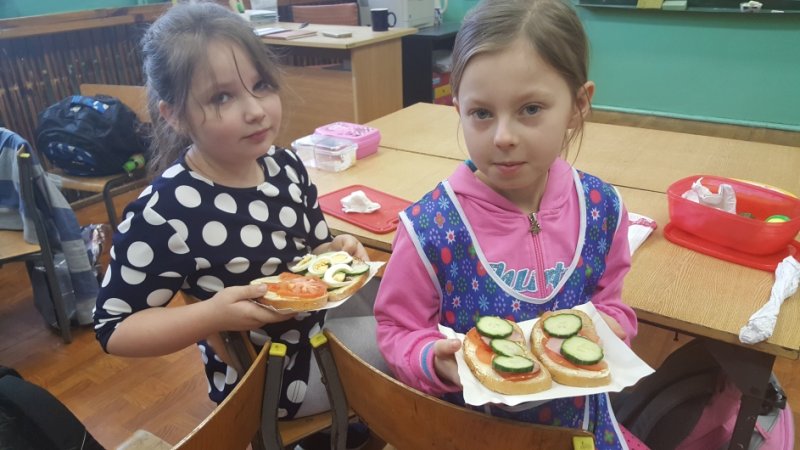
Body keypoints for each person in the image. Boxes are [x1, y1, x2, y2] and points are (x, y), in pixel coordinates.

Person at [93, 1, 371, 433]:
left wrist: (335, 251)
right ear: (174, 115)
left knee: (419, 307)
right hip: (274, 374)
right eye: (222, 97)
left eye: (261, 85)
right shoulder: (166, 211)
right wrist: (212, 315)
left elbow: (311, 251)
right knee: (418, 352)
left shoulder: (284, 165)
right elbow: (114, 329)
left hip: (317, 325)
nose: (255, 110)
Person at [373, 0, 641, 448]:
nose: (503, 137)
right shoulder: (430, 228)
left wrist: (614, 328)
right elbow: (396, 329)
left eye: (530, 109)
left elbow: (610, 303)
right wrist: (430, 358)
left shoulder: (602, 209)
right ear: (458, 109)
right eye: (481, 113)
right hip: (470, 432)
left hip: (579, 427)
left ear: (577, 105)